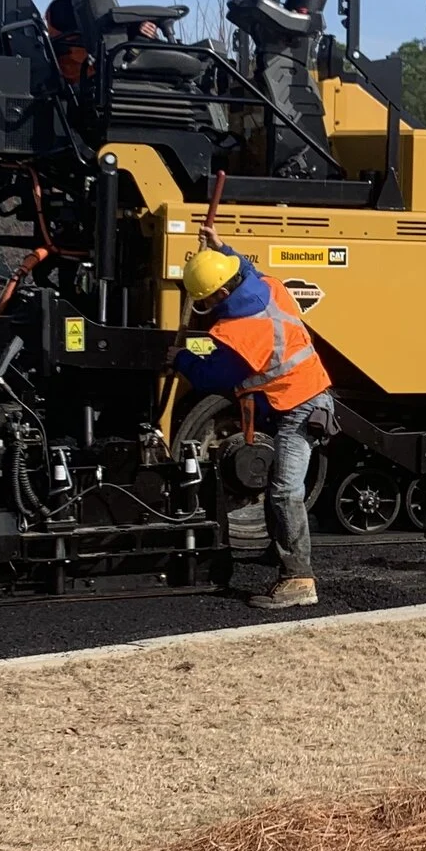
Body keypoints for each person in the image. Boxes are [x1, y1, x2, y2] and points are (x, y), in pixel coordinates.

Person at [173, 241, 334, 610]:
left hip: (302, 407)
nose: (208, 306)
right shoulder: (270, 287)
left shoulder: (242, 332)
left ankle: (299, 580)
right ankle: (280, 554)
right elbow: (246, 268)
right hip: (301, 397)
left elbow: (214, 376)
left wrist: (180, 359)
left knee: (284, 491)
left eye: (210, 300)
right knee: (278, 484)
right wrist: (221, 247)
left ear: (224, 292)